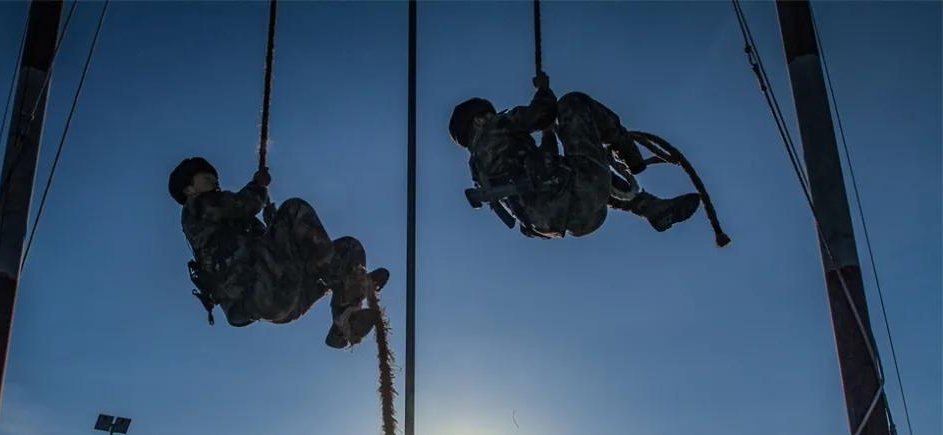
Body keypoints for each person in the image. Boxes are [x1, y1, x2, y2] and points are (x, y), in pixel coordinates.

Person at [169, 157, 388, 348]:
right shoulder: (196, 208)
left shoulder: (230, 222)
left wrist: (272, 225)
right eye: (207, 178)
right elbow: (244, 204)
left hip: (284, 297)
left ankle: (344, 322)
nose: (215, 181)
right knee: (294, 208)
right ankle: (345, 283)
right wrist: (258, 185)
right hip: (261, 291)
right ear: (189, 190)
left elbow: (268, 247)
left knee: (348, 247)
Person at [449, 75, 702, 239]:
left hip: (568, 221)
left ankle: (651, 208)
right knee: (573, 103)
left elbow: (541, 172)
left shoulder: (480, 169)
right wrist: (544, 89)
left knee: (571, 168)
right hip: (576, 197)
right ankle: (628, 150)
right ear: (480, 118)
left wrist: (549, 136)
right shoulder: (496, 127)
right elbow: (544, 113)